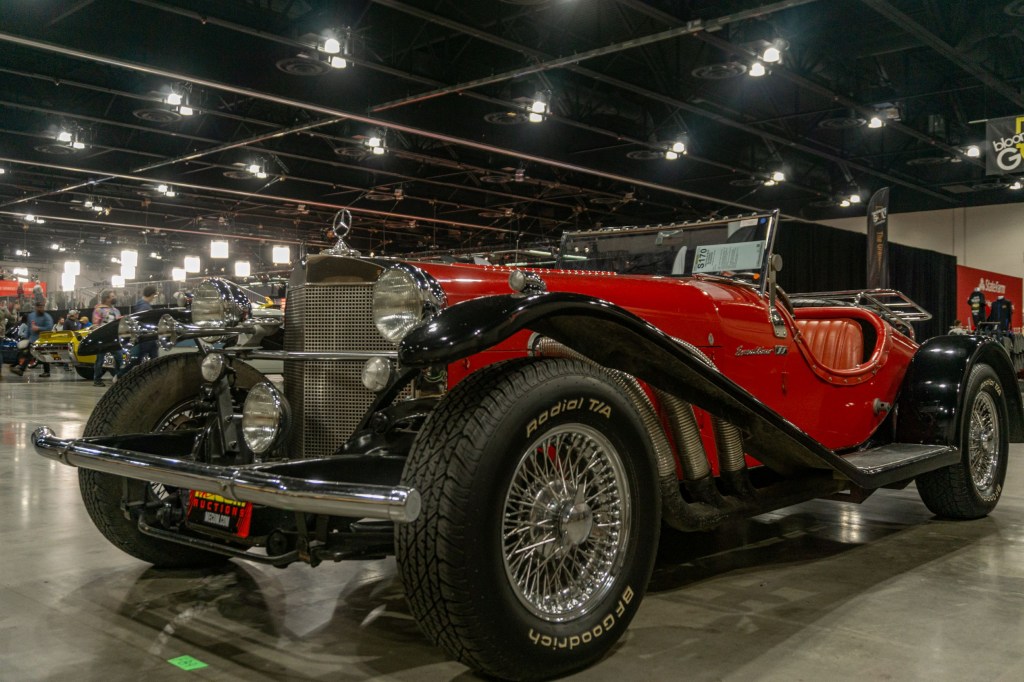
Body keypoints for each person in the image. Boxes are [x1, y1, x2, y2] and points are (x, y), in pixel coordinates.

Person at [11, 301, 54, 377]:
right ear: (36, 307)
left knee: (43, 356)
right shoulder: (31, 316)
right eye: (39, 307)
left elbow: (49, 327)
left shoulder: (47, 317)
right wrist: (26, 337)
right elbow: (29, 327)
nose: (41, 309)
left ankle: (47, 372)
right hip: (32, 340)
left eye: (42, 307)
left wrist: (38, 328)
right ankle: (21, 369)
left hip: (42, 340)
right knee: (28, 354)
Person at [91, 290, 122, 386]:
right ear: (106, 298)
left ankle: (118, 377)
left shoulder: (116, 310)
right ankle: (97, 379)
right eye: (112, 296)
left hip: (114, 339)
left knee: (119, 358)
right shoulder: (99, 310)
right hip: (102, 339)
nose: (114, 298)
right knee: (100, 360)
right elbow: (95, 324)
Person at [131, 285, 160, 363]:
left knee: (152, 359)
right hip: (146, 337)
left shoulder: (140, 303)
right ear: (151, 294)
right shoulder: (144, 307)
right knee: (136, 361)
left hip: (146, 337)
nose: (154, 297)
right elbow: (142, 322)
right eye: (154, 295)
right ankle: (121, 374)